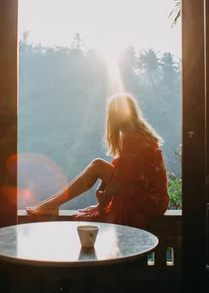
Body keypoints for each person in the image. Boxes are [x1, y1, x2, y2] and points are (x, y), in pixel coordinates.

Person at [25, 93, 170, 229]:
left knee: (97, 165)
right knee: (97, 165)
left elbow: (120, 180)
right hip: (155, 200)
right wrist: (102, 190)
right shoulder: (140, 134)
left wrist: (102, 200)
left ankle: (52, 204)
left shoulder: (133, 138)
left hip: (149, 200)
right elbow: (121, 170)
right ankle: (52, 204)